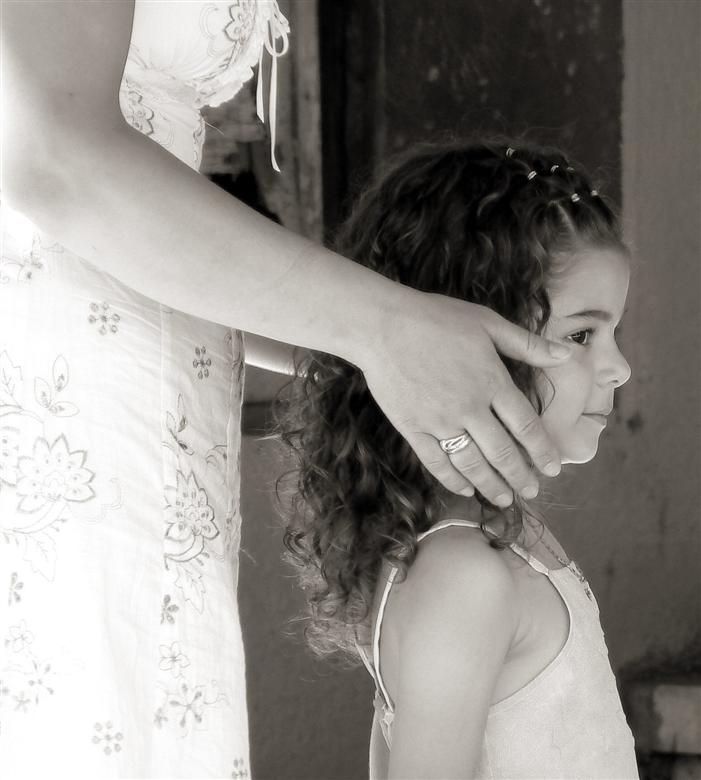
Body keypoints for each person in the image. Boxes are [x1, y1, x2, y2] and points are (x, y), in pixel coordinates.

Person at [1, 2, 574, 777]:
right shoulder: (466, 583)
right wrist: (385, 330)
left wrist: (381, 358)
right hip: (55, 407)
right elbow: (54, 156)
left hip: (153, 396)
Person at [276, 139, 639, 779]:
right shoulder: (462, 575)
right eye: (581, 335)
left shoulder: (500, 542)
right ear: (471, 344)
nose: (618, 367)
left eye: (613, 333)